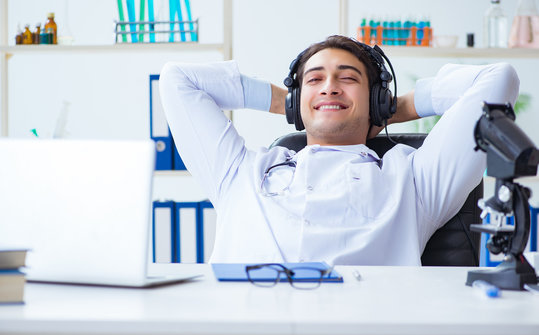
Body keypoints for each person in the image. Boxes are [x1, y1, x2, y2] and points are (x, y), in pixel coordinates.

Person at [159, 35, 519, 265]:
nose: (329, 87)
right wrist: (288, 103)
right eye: (314, 80)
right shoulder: (239, 172)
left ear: (377, 99)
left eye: (348, 79)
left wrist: (396, 107)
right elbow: (178, 79)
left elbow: (499, 80)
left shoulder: (414, 180)